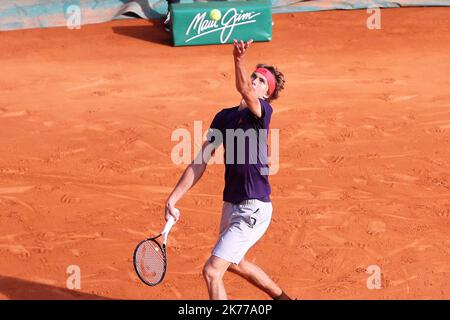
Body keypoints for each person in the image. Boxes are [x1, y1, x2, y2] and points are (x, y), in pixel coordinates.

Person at [164, 39, 291, 300]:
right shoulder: (223, 117)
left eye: (261, 81)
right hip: (231, 204)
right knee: (234, 263)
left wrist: (238, 59)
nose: (255, 82)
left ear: (266, 94)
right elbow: (200, 161)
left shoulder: (262, 112)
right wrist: (173, 198)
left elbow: (244, 90)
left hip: (253, 207)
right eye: (254, 77)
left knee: (212, 271)